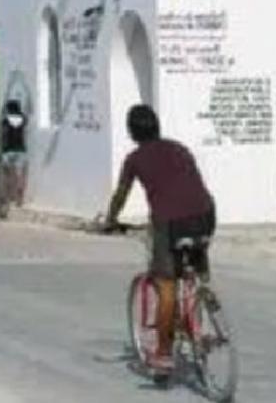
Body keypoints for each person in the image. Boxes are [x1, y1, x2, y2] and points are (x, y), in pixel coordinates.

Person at [102, 104, 216, 377]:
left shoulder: (135, 159)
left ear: (132, 132)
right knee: (197, 270)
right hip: (204, 214)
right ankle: (205, 322)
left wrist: (110, 220)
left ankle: (164, 354)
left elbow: (120, 195)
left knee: (166, 286)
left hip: (170, 222)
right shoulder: (179, 148)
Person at [0, 99, 29, 207]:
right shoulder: (23, 119)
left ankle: (7, 198)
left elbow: (3, 134)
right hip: (20, 149)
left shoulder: (6, 120)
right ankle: (19, 199)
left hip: (8, 150)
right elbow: (26, 119)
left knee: (6, 174)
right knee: (20, 175)